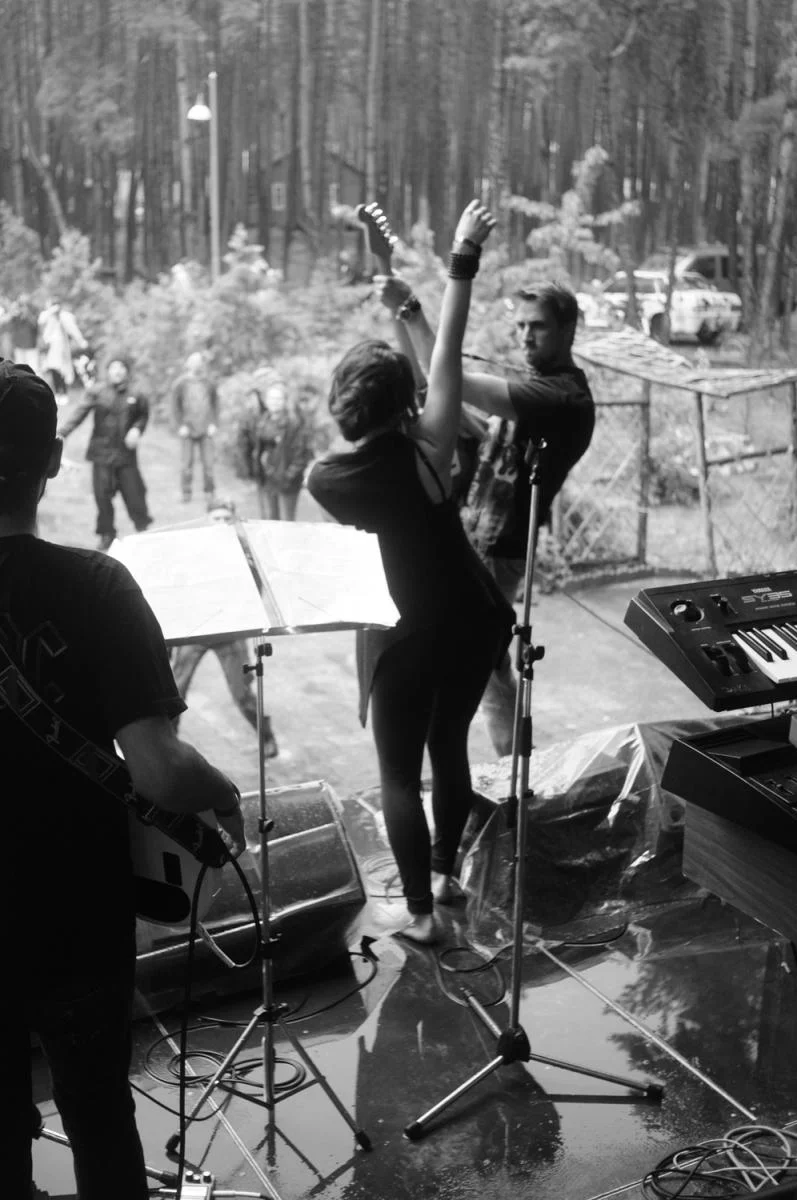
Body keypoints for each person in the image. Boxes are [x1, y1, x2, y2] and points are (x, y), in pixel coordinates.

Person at [0, 358, 246, 1199]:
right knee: (99, 1115)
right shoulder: (97, 587)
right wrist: (222, 791)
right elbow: (161, 770)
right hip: (71, 910)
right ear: (53, 461)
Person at [307, 201, 513, 945]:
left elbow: (397, 391)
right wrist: (460, 257)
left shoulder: (328, 479)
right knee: (448, 746)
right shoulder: (432, 450)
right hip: (470, 616)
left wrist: (388, 278)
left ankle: (420, 915)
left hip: (402, 629)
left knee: (397, 775)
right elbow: (445, 348)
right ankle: (447, 878)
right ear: (407, 402)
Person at [375, 275, 595, 757]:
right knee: (490, 669)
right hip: (478, 542)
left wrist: (411, 310)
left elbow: (449, 379)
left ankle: (510, 772)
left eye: (538, 326)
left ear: (568, 330)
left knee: (483, 670)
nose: (525, 336)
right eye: (520, 326)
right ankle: (514, 769)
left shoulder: (562, 397)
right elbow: (443, 396)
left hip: (499, 549)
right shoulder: (537, 392)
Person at [170, 500, 279, 758]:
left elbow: (254, 594)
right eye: (216, 518)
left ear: (234, 520)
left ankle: (266, 735)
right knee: (175, 691)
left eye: (226, 518)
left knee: (242, 694)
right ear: (207, 520)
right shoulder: (193, 549)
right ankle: (169, 741)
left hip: (228, 632)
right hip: (196, 629)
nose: (221, 523)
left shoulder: (244, 552)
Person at [57, 355, 153, 550]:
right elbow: (80, 413)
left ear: (127, 371)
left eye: (121, 367)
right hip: (101, 453)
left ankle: (143, 530)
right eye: (113, 367)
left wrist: (137, 429)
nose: (117, 371)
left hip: (126, 456)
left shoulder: (136, 394)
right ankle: (107, 535)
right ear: (108, 371)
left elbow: (143, 415)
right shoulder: (97, 391)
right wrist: (62, 433)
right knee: (102, 497)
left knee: (135, 495)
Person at [236, 368, 314, 520]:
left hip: (287, 479)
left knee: (287, 521)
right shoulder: (261, 419)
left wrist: (288, 477)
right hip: (267, 478)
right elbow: (249, 443)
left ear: (284, 400)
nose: (274, 402)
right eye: (271, 399)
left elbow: (301, 453)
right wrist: (251, 470)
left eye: (278, 399)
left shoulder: (294, 420)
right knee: (269, 520)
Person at [170, 350, 219, 506]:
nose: (197, 365)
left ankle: (209, 492)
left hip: (206, 429)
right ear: (188, 364)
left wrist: (213, 423)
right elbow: (175, 407)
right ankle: (186, 492)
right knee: (186, 464)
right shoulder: (180, 384)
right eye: (194, 362)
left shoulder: (209, 383)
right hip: (188, 429)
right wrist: (180, 426)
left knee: (209, 464)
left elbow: (215, 404)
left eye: (199, 362)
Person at [37, 298, 89, 405]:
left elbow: (73, 329)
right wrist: (51, 312)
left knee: (62, 371)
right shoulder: (47, 316)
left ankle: (64, 393)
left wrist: (80, 340)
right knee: (53, 370)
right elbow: (41, 320)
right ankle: (57, 393)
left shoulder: (64, 316)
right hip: (50, 349)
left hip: (61, 348)